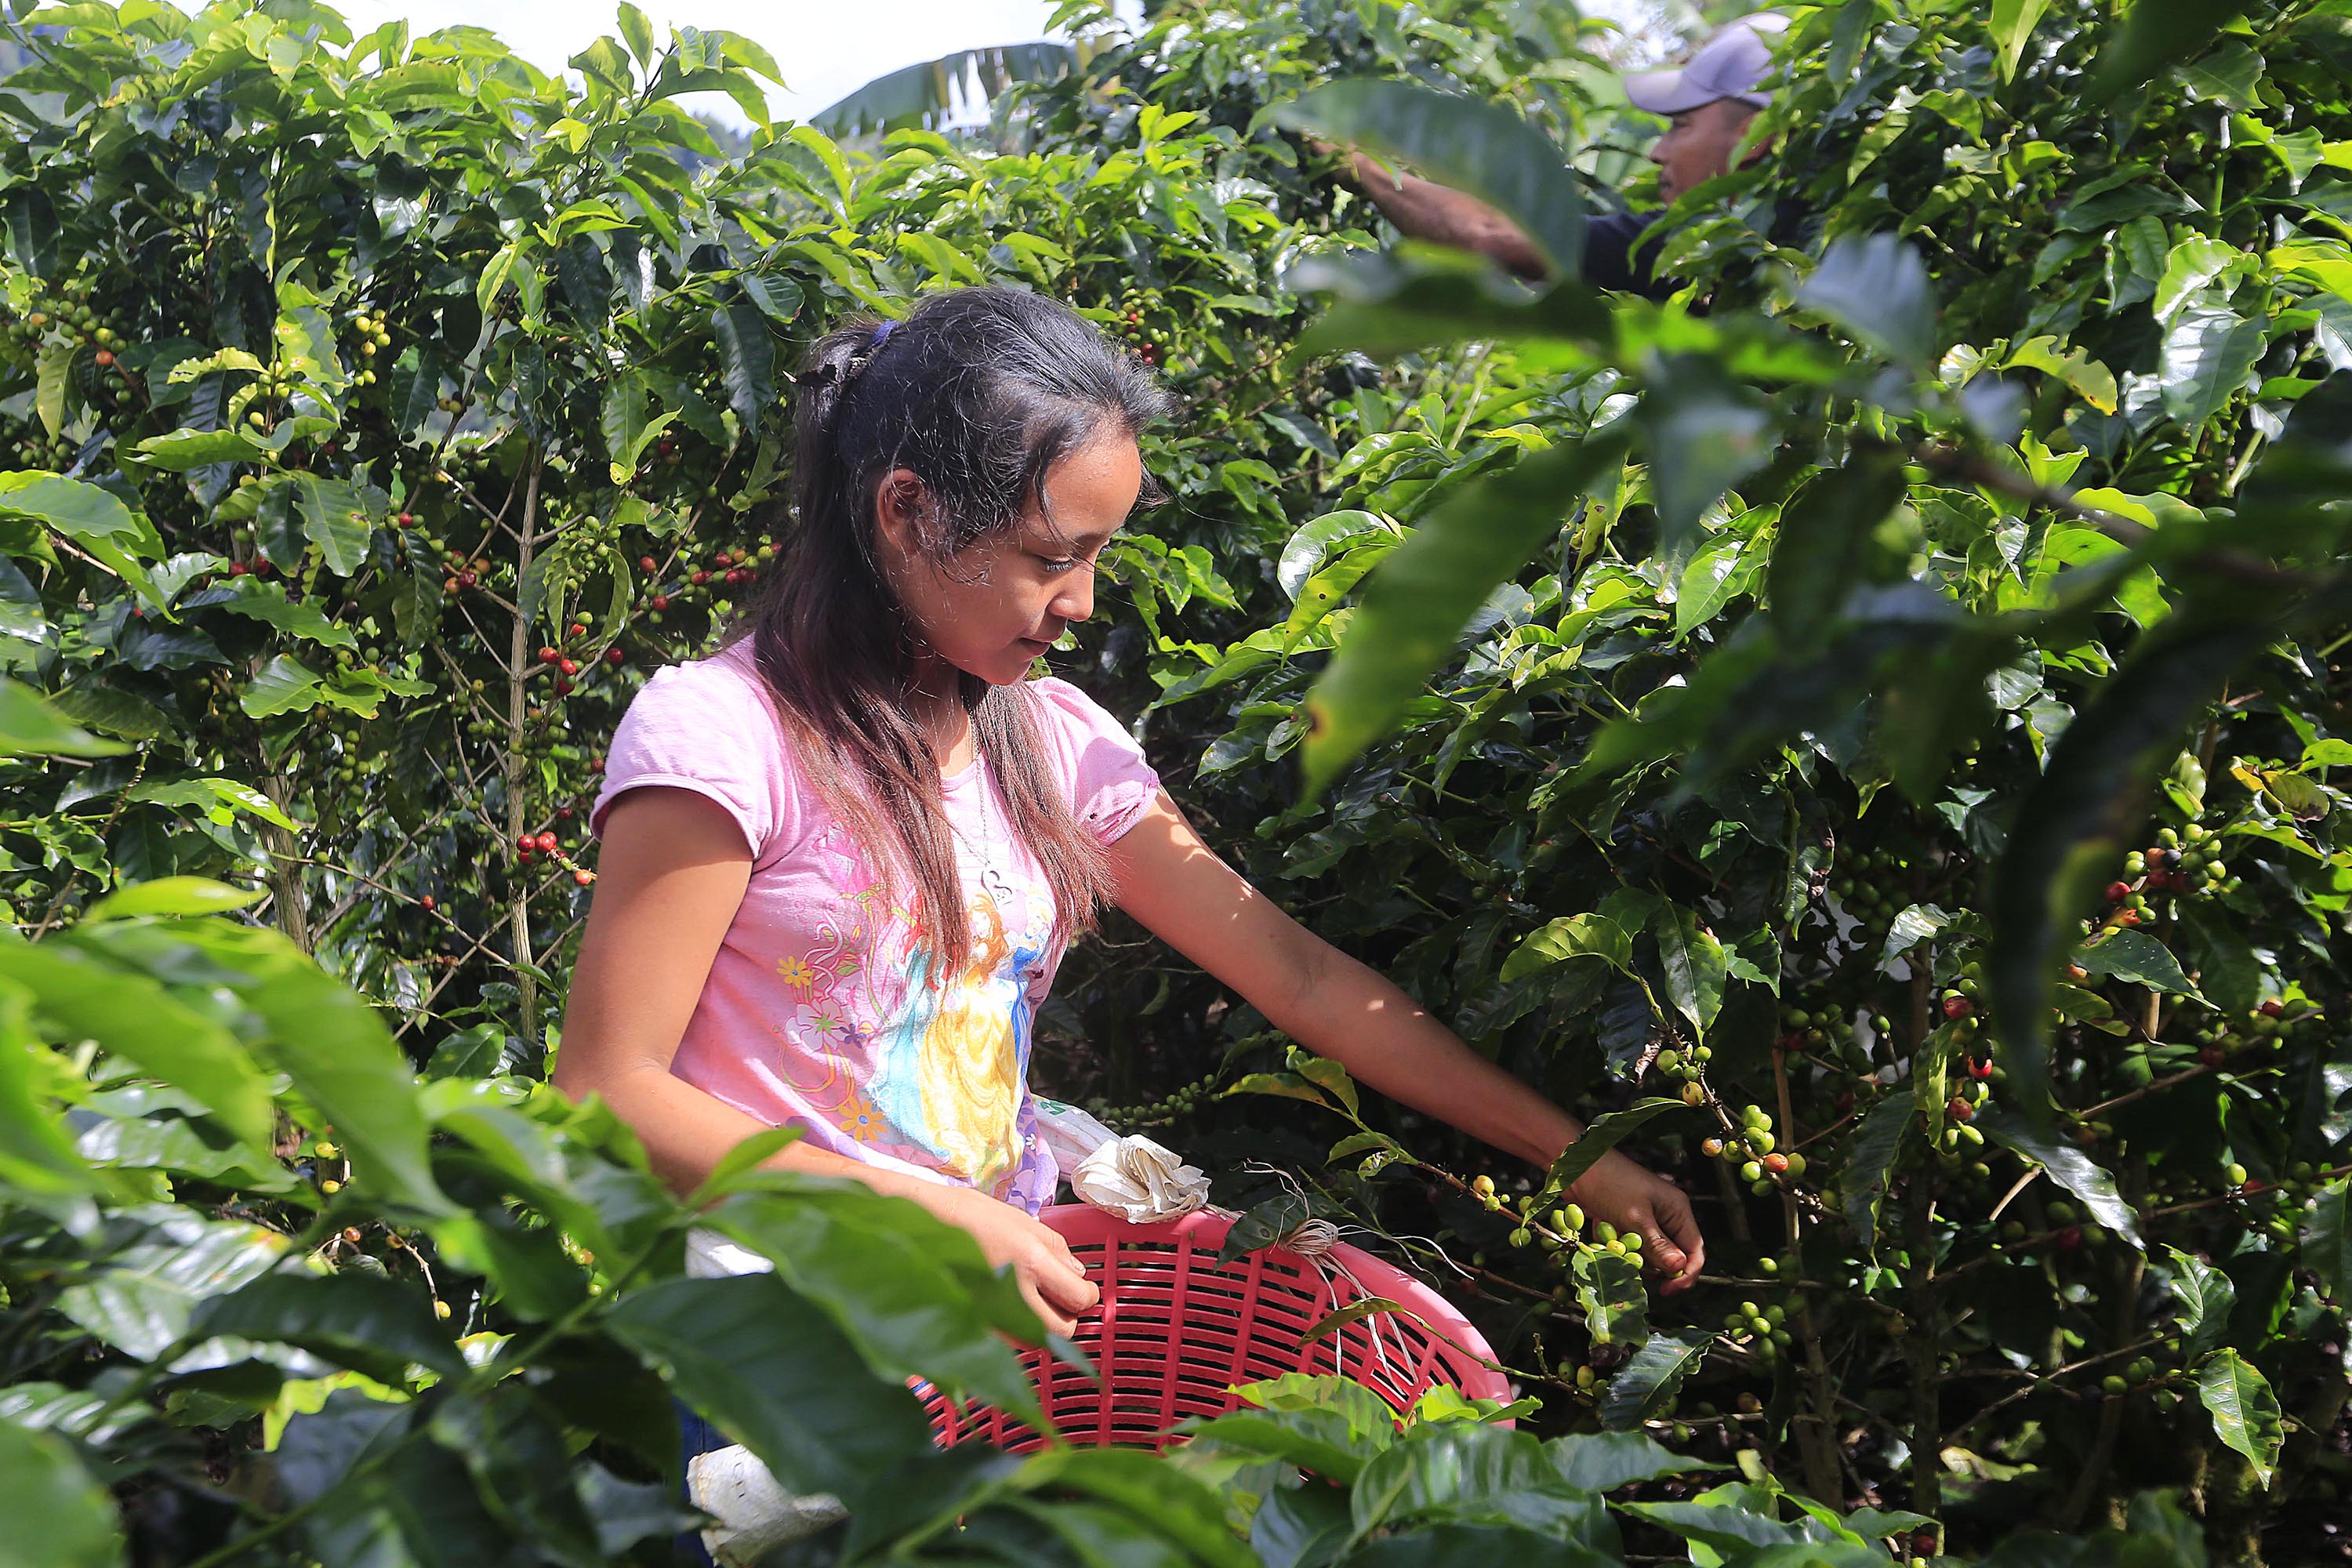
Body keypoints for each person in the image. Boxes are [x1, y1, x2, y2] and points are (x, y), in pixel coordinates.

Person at [553, 286, 1705, 1356]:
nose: (1081, 603)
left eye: (1098, 556)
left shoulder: (1051, 741)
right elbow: (607, 1090)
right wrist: (928, 1217)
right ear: (907, 512)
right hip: (784, 1348)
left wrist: (1578, 1158)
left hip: (993, 1324)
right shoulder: (725, 740)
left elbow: (1299, 977)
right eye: (1051, 557)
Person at [1314, 13, 1791, 295]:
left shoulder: (1711, 245)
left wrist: (1360, 166)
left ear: (1755, 138)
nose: (1657, 153)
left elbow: (1492, 234)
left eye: (1681, 127)